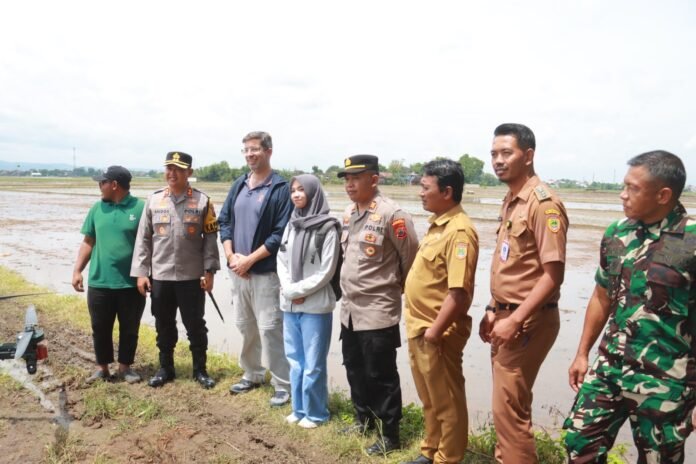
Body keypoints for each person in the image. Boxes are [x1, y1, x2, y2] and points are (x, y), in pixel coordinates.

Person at [564, 151, 695, 462]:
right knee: (579, 444)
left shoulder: (691, 240)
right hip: (609, 368)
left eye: (633, 188)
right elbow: (601, 296)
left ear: (663, 195)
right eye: (624, 186)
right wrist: (582, 353)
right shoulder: (617, 233)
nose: (623, 195)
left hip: (666, 380)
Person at [478, 123, 568, 463]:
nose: (498, 161)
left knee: (509, 411)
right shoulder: (512, 200)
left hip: (528, 321)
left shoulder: (543, 204)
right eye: (493, 154)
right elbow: (512, 265)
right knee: (508, 407)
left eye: (506, 153)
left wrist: (515, 319)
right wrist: (492, 308)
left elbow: (553, 276)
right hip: (505, 316)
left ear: (528, 156)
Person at [338, 154, 418, 456]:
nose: (349, 184)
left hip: (377, 312)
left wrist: (395, 292)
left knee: (381, 376)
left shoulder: (392, 215)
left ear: (374, 179)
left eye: (356, 178)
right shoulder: (348, 213)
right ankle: (363, 420)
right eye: (347, 179)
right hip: (349, 311)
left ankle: (390, 434)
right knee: (354, 369)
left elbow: (411, 262)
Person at [402, 159, 479, 464]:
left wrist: (435, 332)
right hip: (420, 328)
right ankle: (430, 450)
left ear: (446, 192)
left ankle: (448, 457)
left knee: (447, 400)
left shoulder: (459, 231)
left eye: (425, 187)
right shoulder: (438, 226)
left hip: (437, 332)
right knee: (430, 398)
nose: (420, 193)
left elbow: (459, 293)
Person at [131, 151, 220, 389]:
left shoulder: (202, 201)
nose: (172, 173)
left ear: (189, 172)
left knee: (195, 325)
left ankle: (200, 370)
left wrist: (209, 272)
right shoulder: (154, 200)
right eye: (169, 168)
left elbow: (211, 240)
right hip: (161, 276)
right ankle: (165, 369)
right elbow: (143, 239)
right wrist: (141, 273)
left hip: (191, 277)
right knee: (163, 324)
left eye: (179, 169)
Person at [218, 131, 293, 406]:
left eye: (255, 149)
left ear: (268, 151)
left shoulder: (281, 188)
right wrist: (231, 257)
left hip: (265, 273)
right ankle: (252, 374)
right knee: (245, 325)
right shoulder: (239, 184)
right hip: (237, 270)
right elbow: (224, 221)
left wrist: (249, 260)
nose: (250, 154)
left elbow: (279, 233)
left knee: (270, 328)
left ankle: (283, 384)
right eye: (246, 150)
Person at [276, 174, 340, 429]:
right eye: (293, 190)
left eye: (302, 190)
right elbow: (281, 259)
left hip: (315, 306)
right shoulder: (292, 224)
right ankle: (299, 409)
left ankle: (316, 414)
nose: (296, 194)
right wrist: (289, 290)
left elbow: (327, 270)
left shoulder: (328, 228)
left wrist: (297, 290)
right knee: (294, 360)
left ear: (314, 193)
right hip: (290, 304)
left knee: (313, 364)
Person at [72, 165, 146, 384]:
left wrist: (145, 274)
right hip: (100, 281)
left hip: (130, 283)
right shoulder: (97, 209)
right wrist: (77, 270)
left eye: (102, 182)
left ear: (114, 185)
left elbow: (150, 245)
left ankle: (125, 368)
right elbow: (88, 241)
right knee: (100, 327)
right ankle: (102, 368)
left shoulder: (140, 208)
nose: (99, 186)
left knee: (130, 328)